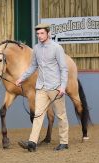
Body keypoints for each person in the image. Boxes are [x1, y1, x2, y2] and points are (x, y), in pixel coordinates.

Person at [16, 23, 69, 152]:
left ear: (48, 33)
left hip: (55, 87)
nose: (39, 36)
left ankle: (64, 142)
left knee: (61, 115)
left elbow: (64, 68)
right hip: (41, 87)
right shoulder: (36, 49)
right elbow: (33, 66)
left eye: (42, 33)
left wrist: (63, 87)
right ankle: (32, 143)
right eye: (38, 34)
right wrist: (21, 78)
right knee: (38, 115)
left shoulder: (57, 48)